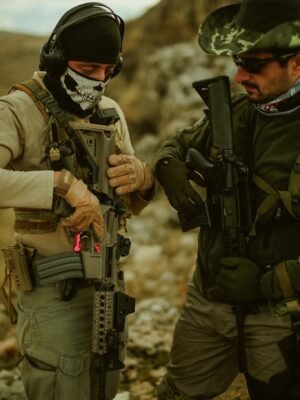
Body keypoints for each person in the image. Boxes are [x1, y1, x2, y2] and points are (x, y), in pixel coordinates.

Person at [0, 2, 154, 400]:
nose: (98, 81)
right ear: (55, 59)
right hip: (51, 288)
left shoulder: (110, 112)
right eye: (87, 69)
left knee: (105, 378)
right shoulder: (17, 111)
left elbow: (132, 201)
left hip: (107, 278)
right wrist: (62, 184)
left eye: (108, 71)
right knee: (60, 382)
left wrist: (142, 178)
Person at [155, 0, 300, 399]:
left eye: (254, 64)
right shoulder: (234, 112)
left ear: (297, 63)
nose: (239, 75)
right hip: (208, 300)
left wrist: (266, 282)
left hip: (282, 316)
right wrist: (169, 163)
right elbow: (180, 142)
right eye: (238, 60)